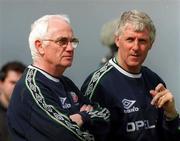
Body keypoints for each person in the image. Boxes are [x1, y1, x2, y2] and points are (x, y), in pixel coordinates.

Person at [7, 14, 110, 141]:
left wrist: (80, 118)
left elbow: (105, 118)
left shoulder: (65, 83)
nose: (70, 48)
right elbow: (65, 135)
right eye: (62, 41)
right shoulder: (31, 87)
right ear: (40, 46)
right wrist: (85, 116)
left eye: (72, 41)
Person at [81, 10, 180, 141]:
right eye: (130, 39)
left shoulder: (154, 80)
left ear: (151, 44)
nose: (136, 47)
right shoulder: (99, 84)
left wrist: (171, 114)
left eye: (142, 41)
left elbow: (169, 136)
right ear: (117, 40)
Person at [0, 61, 26, 141]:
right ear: (1, 84)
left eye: (20, 83)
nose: (17, 87)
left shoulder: (30, 114)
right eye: (13, 82)